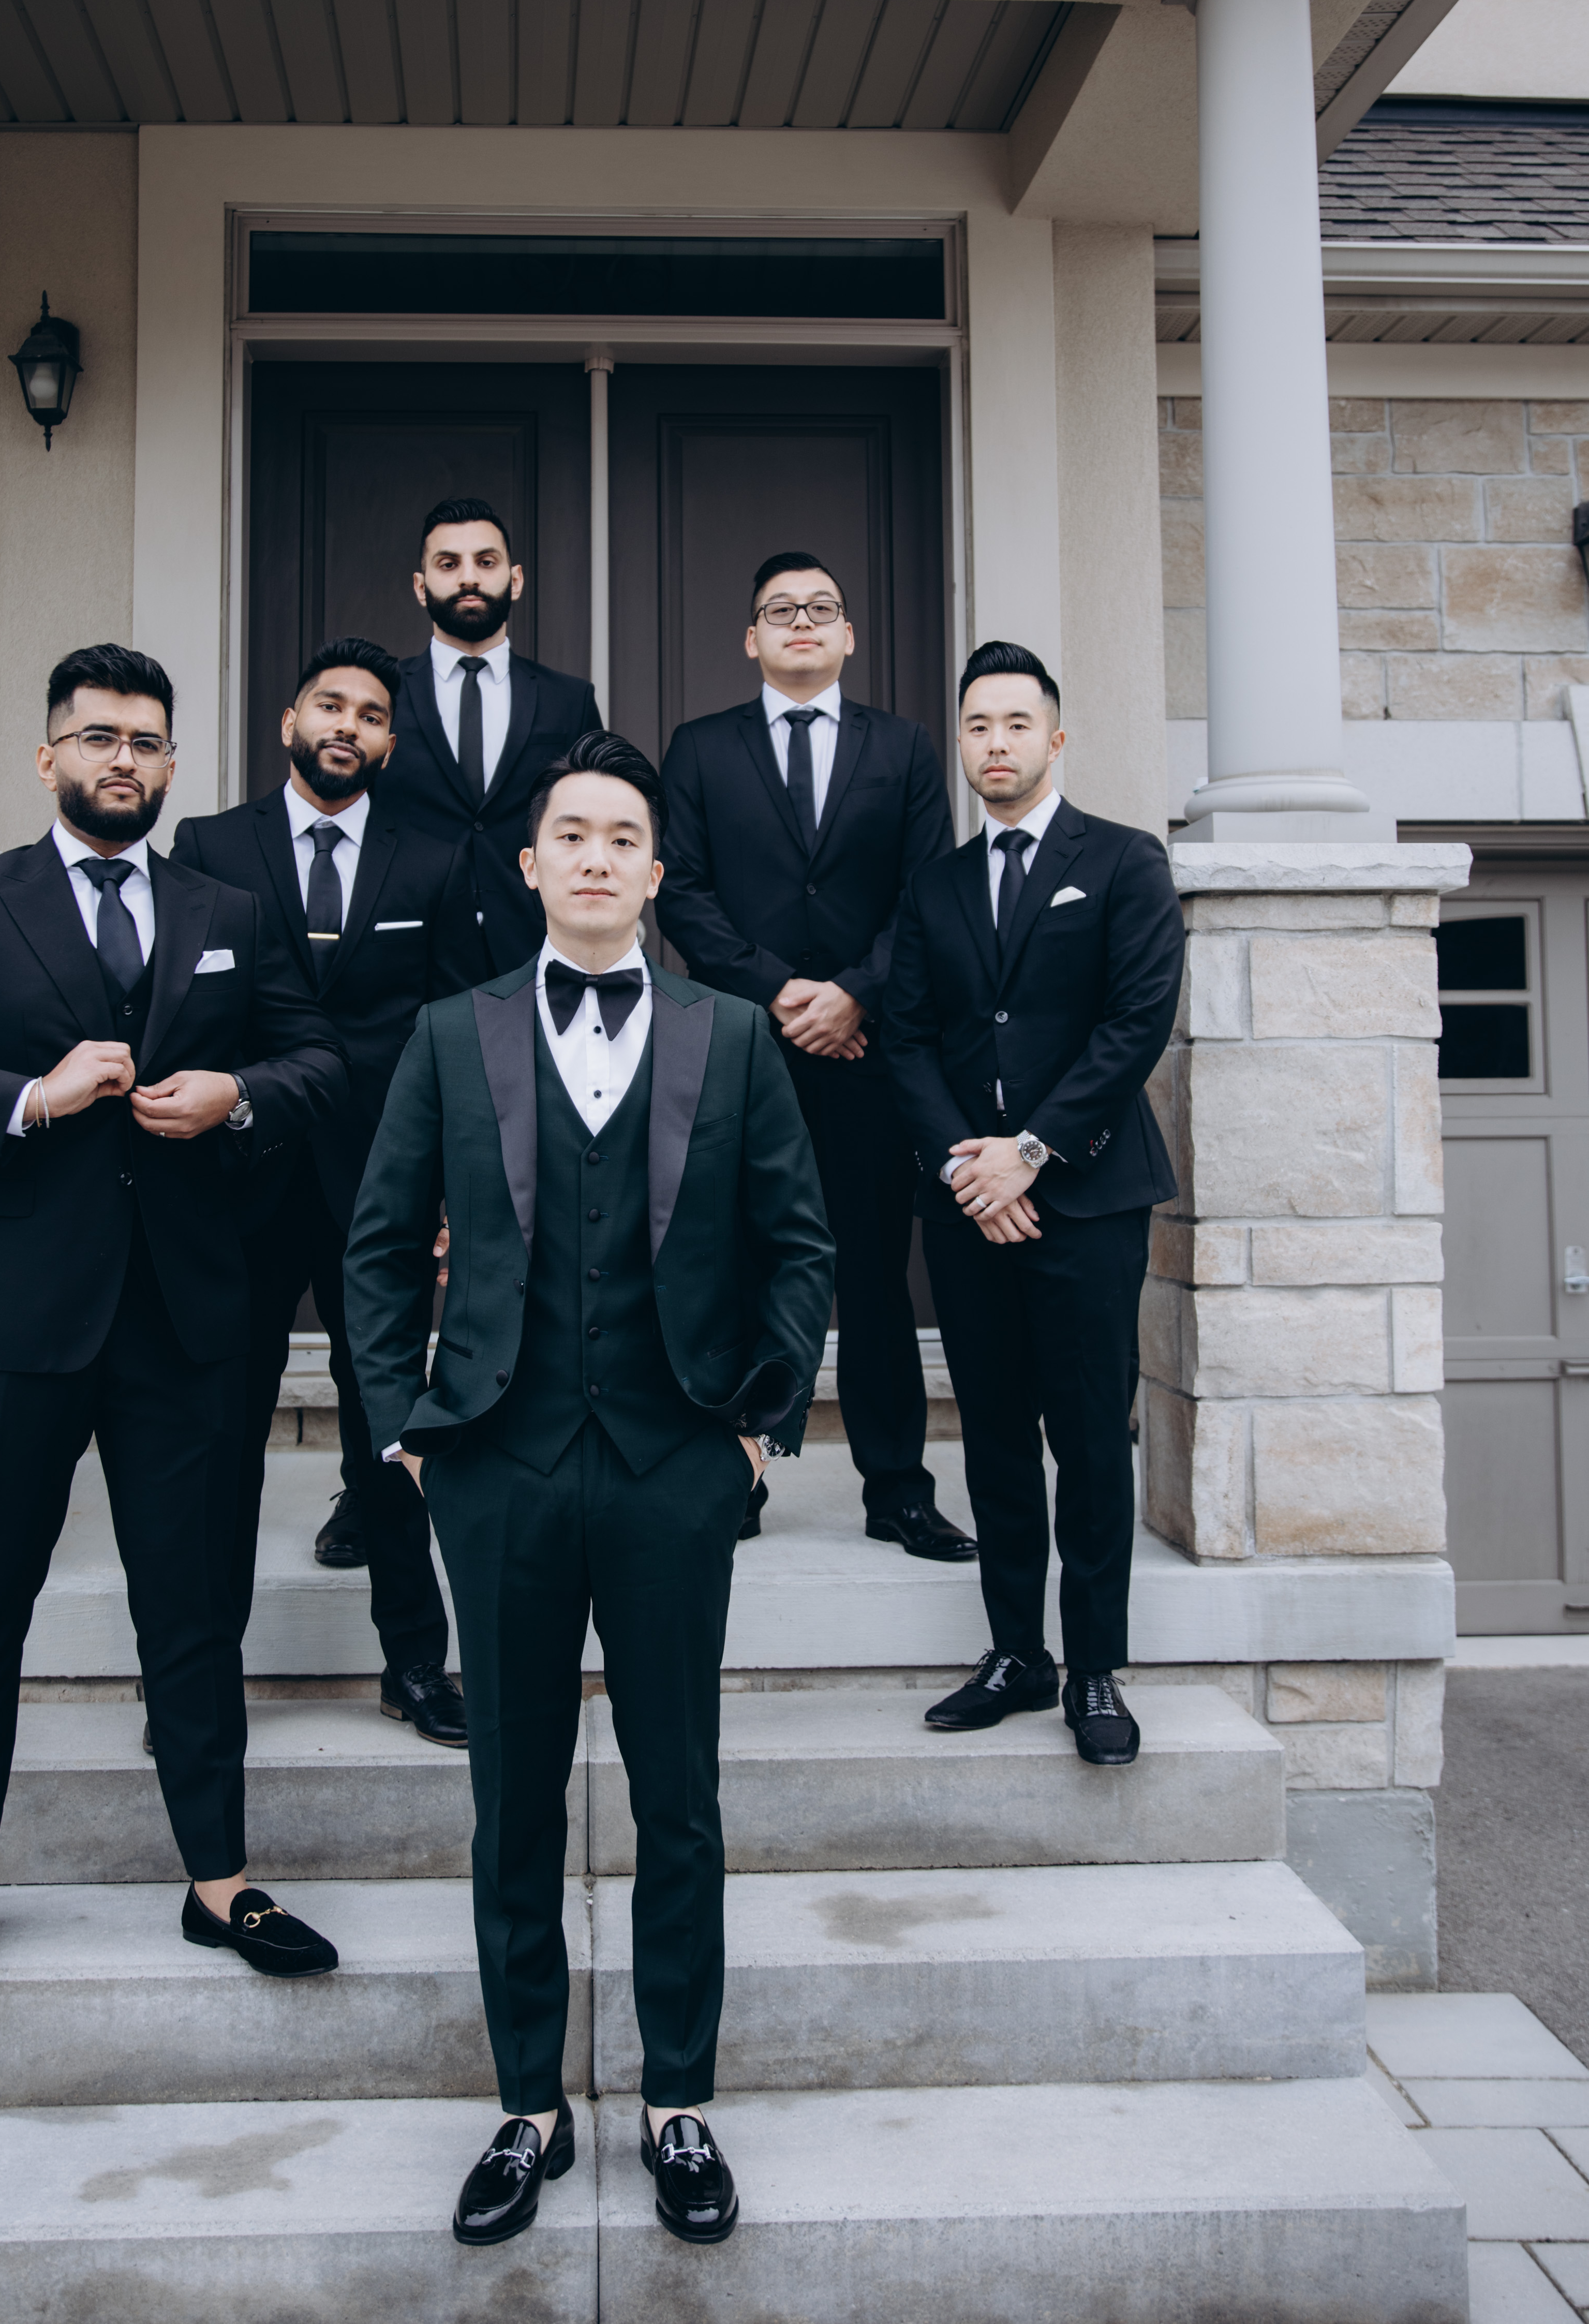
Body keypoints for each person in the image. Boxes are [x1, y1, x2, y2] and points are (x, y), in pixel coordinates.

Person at [346, 732, 832, 2250]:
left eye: (624, 836)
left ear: (656, 870)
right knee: (511, 1804)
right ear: (532, 862)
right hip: (497, 1470)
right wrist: (406, 1429)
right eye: (574, 834)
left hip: (676, 1469)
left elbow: (798, 1246)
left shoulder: (728, 1035)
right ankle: (528, 2107)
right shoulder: (451, 1033)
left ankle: (676, 2101)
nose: (599, 857)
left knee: (676, 1799)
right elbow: (378, 1246)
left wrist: (755, 1434)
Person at [0, 645, 349, 1992]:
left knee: (192, 1605)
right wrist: (27, 1098)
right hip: (13, 1317)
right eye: (100, 736)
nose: (124, 758)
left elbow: (319, 1060)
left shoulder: (230, 908)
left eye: (147, 741)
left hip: (185, 1315)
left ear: (172, 764)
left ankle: (219, 1881)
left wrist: (238, 1094)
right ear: (48, 754)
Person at [171, 634, 486, 1746]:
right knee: (221, 1442)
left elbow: (458, 1036)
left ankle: (416, 1665)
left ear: (389, 744)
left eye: (369, 715)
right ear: (290, 721)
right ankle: (198, 1679)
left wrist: (449, 1191)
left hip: (380, 1192)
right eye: (329, 705)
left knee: (389, 1437)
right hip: (237, 1186)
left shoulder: (435, 859)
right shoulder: (208, 847)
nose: (346, 725)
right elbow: (186, 1014)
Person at [880, 641, 1185, 1768]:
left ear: (1054, 737)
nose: (995, 743)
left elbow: (1135, 1022)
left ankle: (1094, 1664)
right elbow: (907, 1037)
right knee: (996, 1433)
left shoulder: (1123, 860)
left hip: (1087, 1199)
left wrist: (1033, 1152)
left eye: (1015, 723)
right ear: (961, 745)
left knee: (1090, 1438)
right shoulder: (935, 885)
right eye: (977, 726)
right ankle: (1018, 1652)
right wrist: (972, 1171)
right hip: (969, 1204)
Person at [656, 550, 968, 1559]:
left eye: (821, 608)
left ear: (848, 636)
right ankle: (736, 1476)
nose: (802, 621)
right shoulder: (699, 749)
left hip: (866, 1052)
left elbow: (927, 890)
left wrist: (854, 993)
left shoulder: (905, 747)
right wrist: (778, 991)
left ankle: (898, 1489)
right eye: (781, 609)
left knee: (874, 1273)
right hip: (742, 1050)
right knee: (738, 1267)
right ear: (751, 637)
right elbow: (681, 890)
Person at [374, 495, 602, 975]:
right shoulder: (379, 696)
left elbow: (597, 818)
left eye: (486, 561)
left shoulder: (570, 699)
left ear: (515, 580)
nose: (469, 578)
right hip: (405, 948)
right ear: (420, 586)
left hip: (535, 946)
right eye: (448, 564)